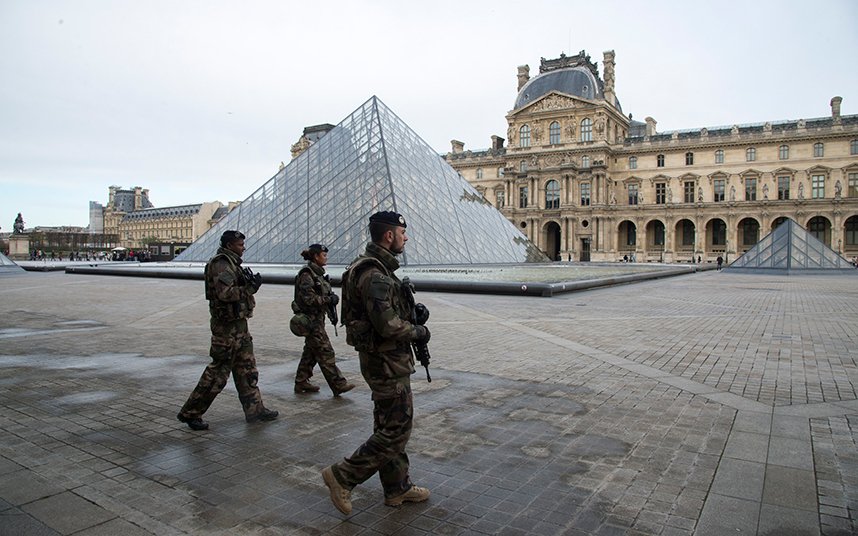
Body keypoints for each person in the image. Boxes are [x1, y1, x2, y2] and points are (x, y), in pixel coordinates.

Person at [321, 211, 431, 515]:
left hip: (383, 360)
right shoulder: (375, 274)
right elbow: (387, 326)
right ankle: (343, 475)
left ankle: (397, 487)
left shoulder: (374, 268)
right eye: (402, 232)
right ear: (388, 235)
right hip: (386, 362)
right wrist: (418, 330)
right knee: (396, 429)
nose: (405, 237)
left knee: (389, 423)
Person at [177, 230, 278, 430]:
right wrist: (250, 288)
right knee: (218, 373)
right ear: (230, 245)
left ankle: (255, 410)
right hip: (226, 329)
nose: (244, 247)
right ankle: (191, 412)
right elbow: (225, 294)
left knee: (247, 369)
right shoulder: (221, 263)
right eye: (240, 244)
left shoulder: (233, 264)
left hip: (239, 325)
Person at [292, 243, 355, 396]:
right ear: (315, 256)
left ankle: (301, 382)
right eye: (324, 255)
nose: (326, 258)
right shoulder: (307, 275)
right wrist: (328, 299)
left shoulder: (317, 274)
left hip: (316, 320)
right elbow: (308, 299)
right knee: (326, 352)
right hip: (310, 321)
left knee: (311, 352)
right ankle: (338, 384)